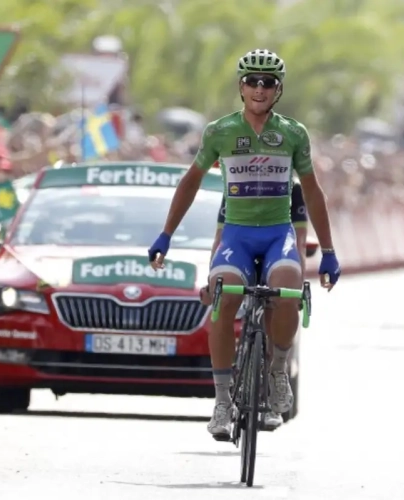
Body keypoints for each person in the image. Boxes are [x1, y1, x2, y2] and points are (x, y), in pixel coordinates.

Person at [148, 48, 341, 440]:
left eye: (267, 82)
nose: (259, 88)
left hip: (277, 234)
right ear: (240, 86)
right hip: (236, 234)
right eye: (252, 81)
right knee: (222, 297)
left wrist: (330, 251)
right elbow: (191, 182)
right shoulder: (219, 131)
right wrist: (165, 234)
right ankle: (221, 400)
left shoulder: (293, 133)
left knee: (288, 288)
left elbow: (315, 193)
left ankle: (276, 371)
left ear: (278, 89)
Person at [200, 173, 309, 431]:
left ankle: (273, 385)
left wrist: (296, 286)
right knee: (227, 299)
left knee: (279, 300)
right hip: (240, 252)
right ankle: (223, 401)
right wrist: (210, 282)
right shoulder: (239, 184)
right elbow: (220, 242)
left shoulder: (293, 191)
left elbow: (300, 243)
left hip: (278, 252)